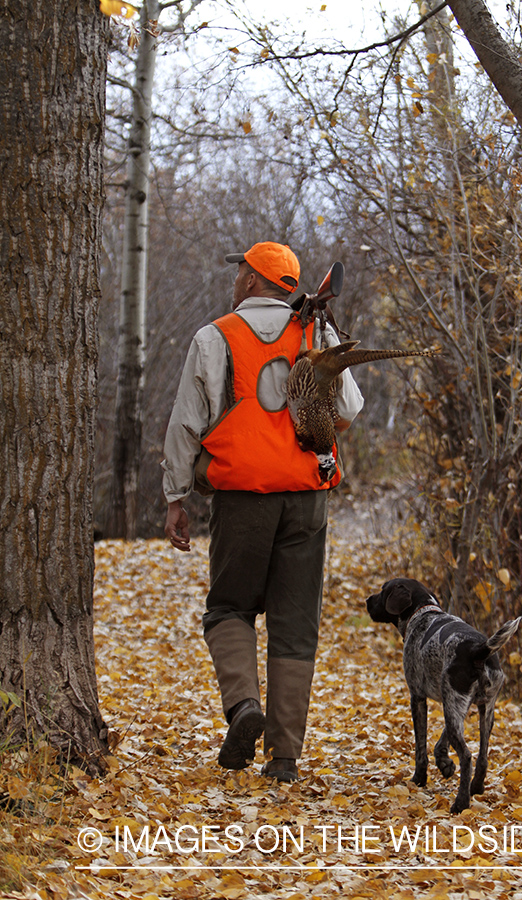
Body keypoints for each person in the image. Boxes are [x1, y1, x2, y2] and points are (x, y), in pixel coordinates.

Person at [162, 241, 364, 782]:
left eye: (241, 273)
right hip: (306, 498)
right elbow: (349, 410)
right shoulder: (316, 332)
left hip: (242, 498)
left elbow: (186, 423)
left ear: (253, 281)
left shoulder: (214, 337)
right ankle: (284, 758)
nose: (236, 281)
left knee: (229, 608)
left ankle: (244, 706)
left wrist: (176, 497)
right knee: (295, 627)